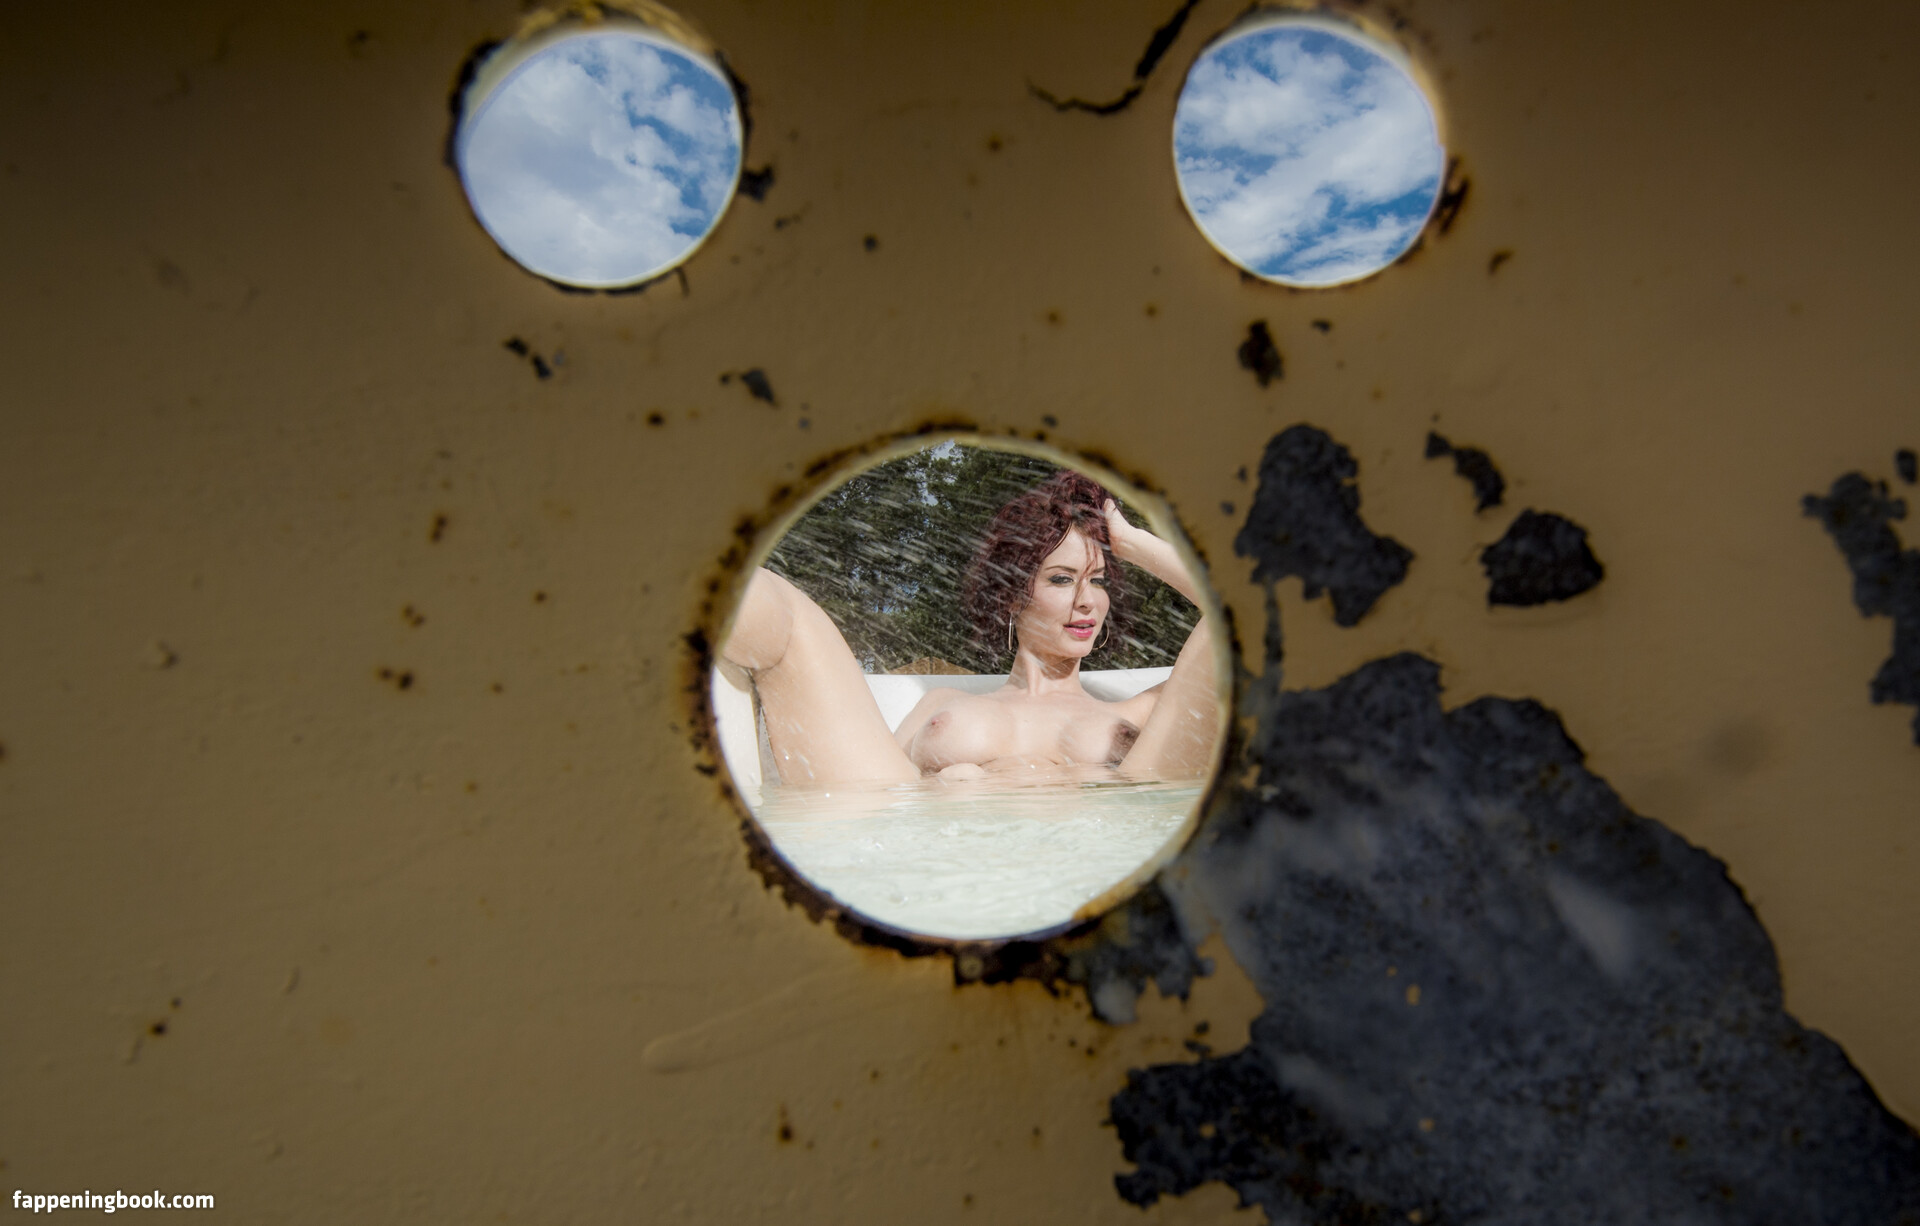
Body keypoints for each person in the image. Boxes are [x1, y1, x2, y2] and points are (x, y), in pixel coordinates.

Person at [719, 470, 1219, 786]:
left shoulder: (1140, 711)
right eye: (1062, 579)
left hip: (1109, 845)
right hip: (937, 855)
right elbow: (882, 787)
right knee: (774, 601)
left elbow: (1240, 620)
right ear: (1013, 594)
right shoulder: (940, 703)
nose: (1088, 600)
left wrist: (1130, 542)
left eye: (1099, 580)